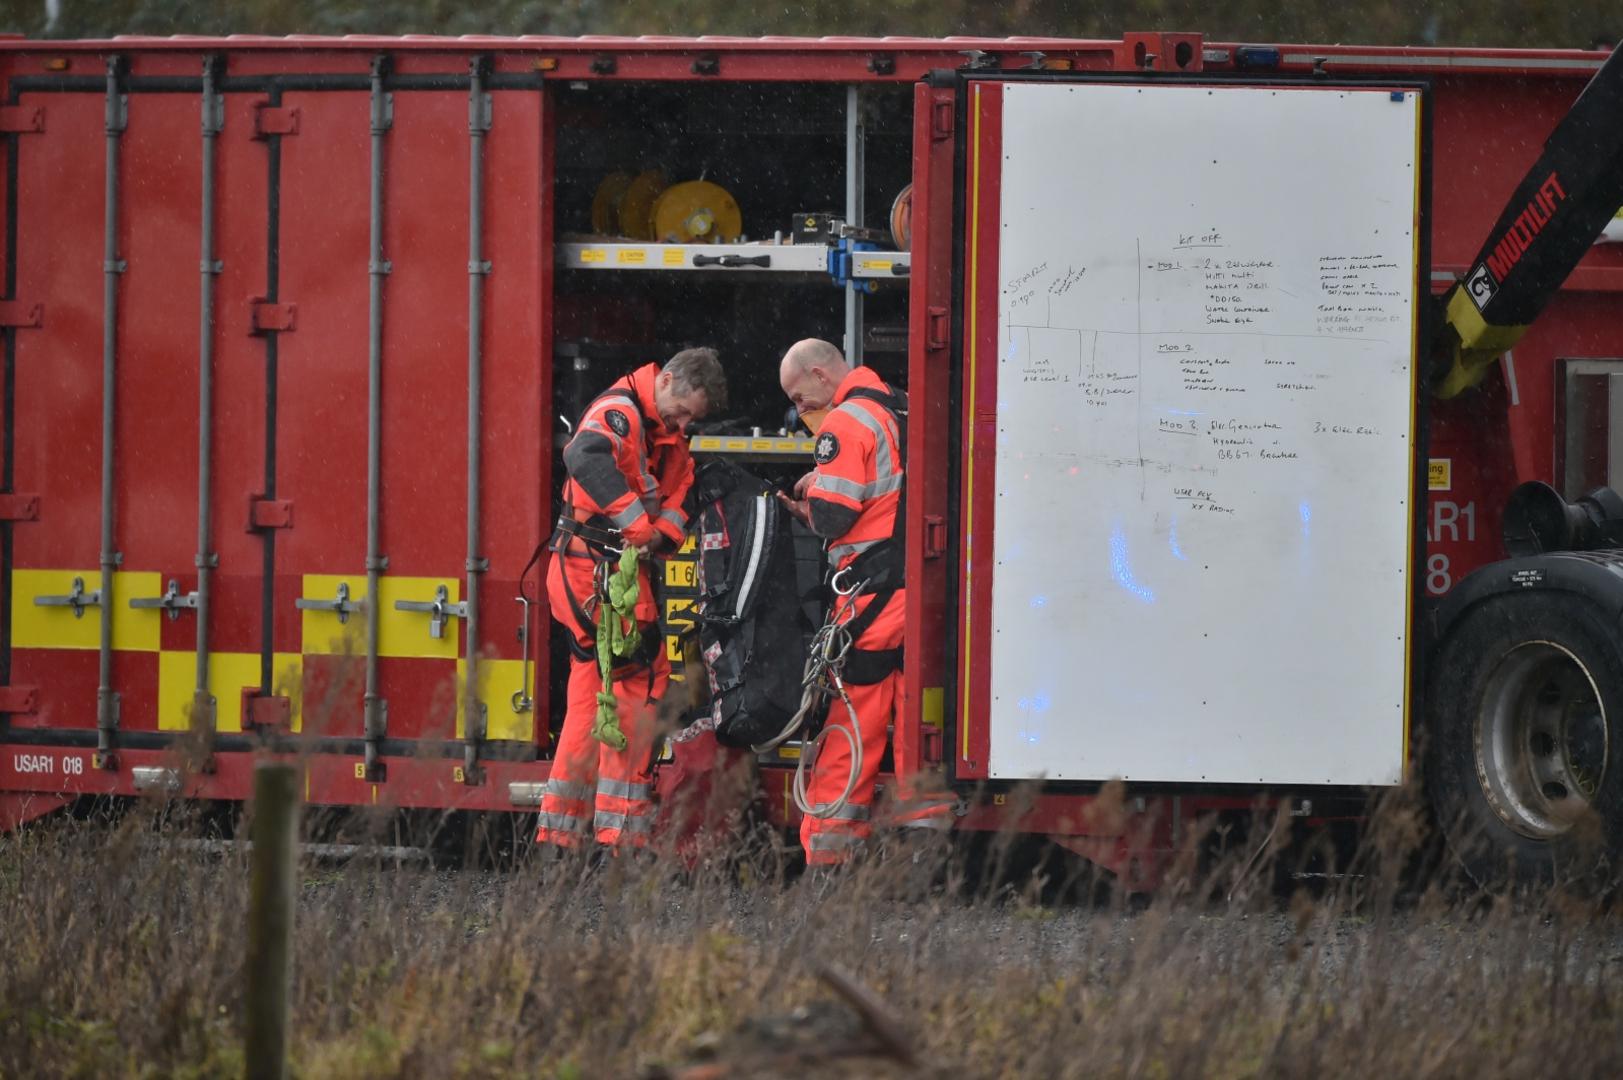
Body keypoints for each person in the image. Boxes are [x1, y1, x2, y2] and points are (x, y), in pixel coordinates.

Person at [536, 347, 727, 851]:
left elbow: (681, 493)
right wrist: (638, 527)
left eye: (693, 418)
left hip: (588, 572)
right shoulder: (620, 413)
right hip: (598, 576)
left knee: (588, 697)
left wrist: (659, 533)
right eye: (684, 410)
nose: (685, 423)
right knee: (638, 687)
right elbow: (582, 456)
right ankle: (619, 837)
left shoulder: (661, 433)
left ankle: (559, 837)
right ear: (665, 380)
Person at [775, 338, 951, 865]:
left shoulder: (846, 422)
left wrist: (808, 496)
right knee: (917, 719)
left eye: (800, 396)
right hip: (918, 588)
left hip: (870, 594)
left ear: (821, 375)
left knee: (850, 718)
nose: (800, 409)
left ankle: (829, 857)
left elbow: (834, 516)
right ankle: (923, 850)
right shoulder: (904, 404)